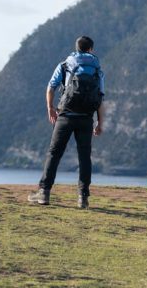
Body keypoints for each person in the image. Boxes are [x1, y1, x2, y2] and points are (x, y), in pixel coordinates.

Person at [28, 35, 105, 209]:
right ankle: (83, 198)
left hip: (65, 116)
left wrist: (50, 107)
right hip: (86, 118)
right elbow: (100, 97)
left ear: (76, 48)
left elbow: (51, 87)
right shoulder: (97, 69)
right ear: (91, 49)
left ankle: (44, 193)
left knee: (54, 153)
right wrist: (99, 122)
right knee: (84, 156)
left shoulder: (65, 65)